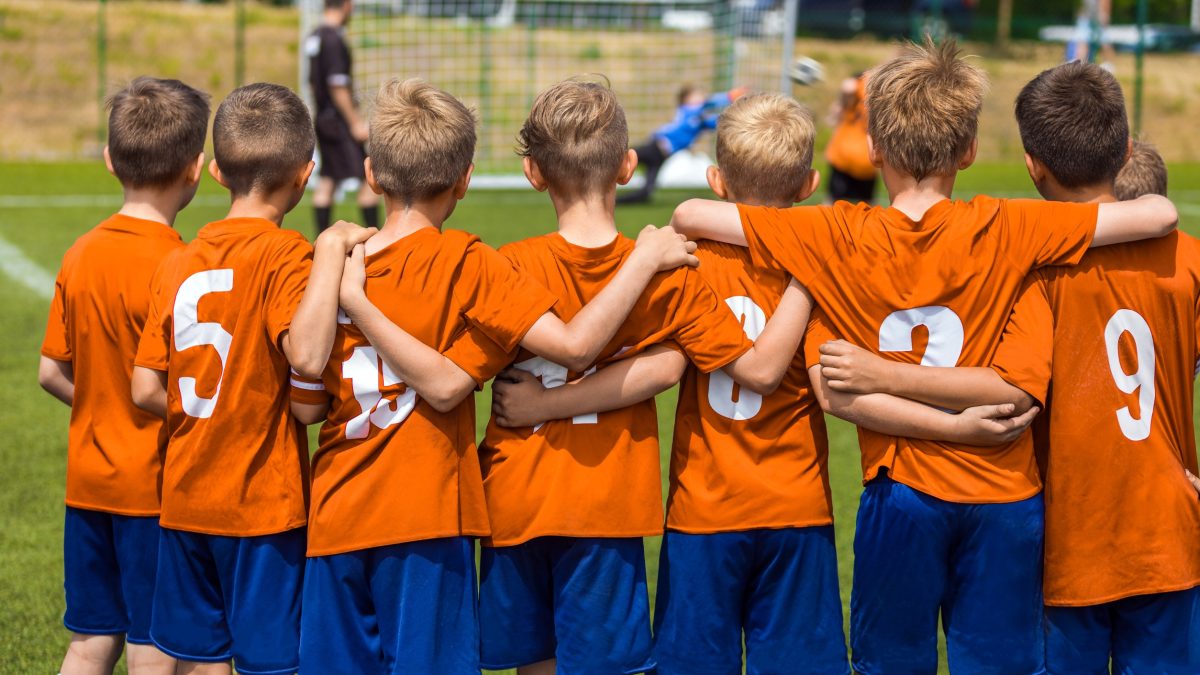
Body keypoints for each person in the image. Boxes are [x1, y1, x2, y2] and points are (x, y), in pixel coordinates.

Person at [668, 39, 1180, 673]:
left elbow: (694, 212)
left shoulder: (836, 233)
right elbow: (1157, 215)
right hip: (1002, 493)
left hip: (901, 489)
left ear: (875, 148)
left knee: (892, 663)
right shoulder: (1010, 225)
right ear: (968, 150)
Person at [285, 77, 701, 674]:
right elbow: (565, 348)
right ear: (465, 178)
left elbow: (304, 403)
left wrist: (338, 270)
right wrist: (644, 255)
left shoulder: (329, 273)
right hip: (427, 515)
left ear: (371, 174)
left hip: (336, 511)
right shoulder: (470, 263)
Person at [815, 62, 1200, 674]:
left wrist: (881, 374)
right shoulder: (1189, 260)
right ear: (1125, 151)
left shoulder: (1036, 270)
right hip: (1171, 529)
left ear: (1032, 166)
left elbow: (1013, 392)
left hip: (1070, 532)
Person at [474, 79, 826, 675]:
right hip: (610, 504)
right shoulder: (671, 271)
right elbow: (670, 366)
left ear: (532, 173)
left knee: (535, 661)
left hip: (517, 496)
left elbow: (457, 375)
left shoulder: (505, 266)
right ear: (628, 166)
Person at [129, 82, 373, 675]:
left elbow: (143, 388)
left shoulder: (177, 258)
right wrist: (332, 249)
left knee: (202, 659)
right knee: (270, 663)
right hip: (262, 507)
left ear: (215, 171)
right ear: (305, 174)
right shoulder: (288, 255)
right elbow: (309, 357)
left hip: (185, 499)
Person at [38, 76, 209, 675]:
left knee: (90, 641)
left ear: (110, 160)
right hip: (152, 490)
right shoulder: (180, 264)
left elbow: (49, 372)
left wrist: (101, 407)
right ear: (196, 168)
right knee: (154, 643)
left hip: (87, 484)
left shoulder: (80, 251)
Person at [306, 0, 380, 234]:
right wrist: (355, 122)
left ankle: (320, 239)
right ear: (346, 5)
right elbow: (337, 85)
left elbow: (312, 81)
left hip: (323, 118)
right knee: (369, 178)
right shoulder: (334, 40)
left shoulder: (315, 36)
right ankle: (374, 238)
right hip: (338, 122)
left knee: (328, 177)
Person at [616, 84, 746, 205]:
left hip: (661, 157)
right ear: (686, 100)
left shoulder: (700, 121)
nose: (701, 97)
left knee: (646, 193)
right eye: (696, 96)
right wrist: (728, 96)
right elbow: (706, 104)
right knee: (617, 162)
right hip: (654, 147)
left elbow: (719, 121)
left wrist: (739, 115)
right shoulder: (687, 111)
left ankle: (617, 201)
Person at [825, 72, 878, 203]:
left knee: (864, 208)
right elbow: (847, 88)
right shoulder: (855, 96)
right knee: (834, 205)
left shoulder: (876, 99)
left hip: (867, 167)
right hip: (843, 163)